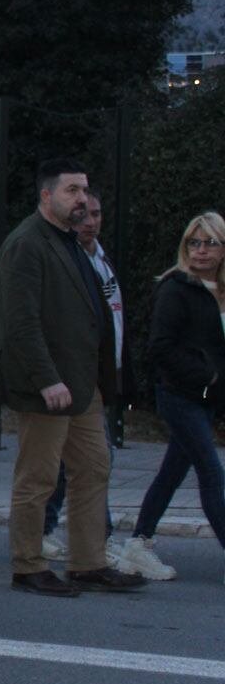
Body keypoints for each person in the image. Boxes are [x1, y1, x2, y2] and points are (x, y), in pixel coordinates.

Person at [0, 157, 146, 598]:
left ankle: (88, 562)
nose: (81, 199)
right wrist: (47, 379)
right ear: (46, 196)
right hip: (48, 388)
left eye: (84, 190)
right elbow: (20, 323)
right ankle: (27, 565)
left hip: (83, 386)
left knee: (93, 469)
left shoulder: (69, 242)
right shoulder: (27, 243)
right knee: (38, 478)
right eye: (71, 191)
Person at [41, 190, 144, 571]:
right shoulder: (68, 257)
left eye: (97, 214)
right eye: (83, 215)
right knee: (77, 460)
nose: (91, 221)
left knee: (86, 461)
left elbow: (112, 319)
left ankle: (73, 538)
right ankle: (72, 538)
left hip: (99, 374)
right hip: (73, 376)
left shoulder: (100, 258)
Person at [120, 212, 225, 579]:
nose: (200, 251)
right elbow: (160, 348)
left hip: (206, 398)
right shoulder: (176, 287)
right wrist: (208, 375)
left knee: (172, 472)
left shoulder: (220, 290)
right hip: (179, 394)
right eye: (193, 243)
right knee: (212, 471)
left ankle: (137, 544)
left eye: (210, 243)